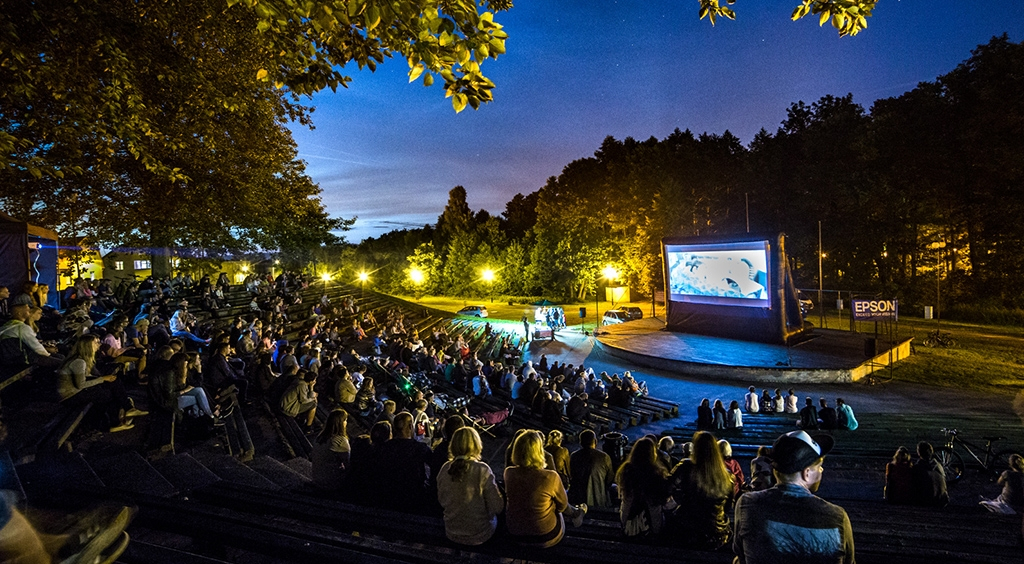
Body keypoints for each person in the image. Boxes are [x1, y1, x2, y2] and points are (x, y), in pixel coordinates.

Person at [733, 430, 854, 564]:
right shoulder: (837, 516)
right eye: (819, 467)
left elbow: (741, 554)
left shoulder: (747, 504)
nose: (821, 470)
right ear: (806, 473)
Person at [504, 430, 585, 548]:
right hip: (546, 535)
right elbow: (562, 506)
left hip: (515, 533)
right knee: (556, 503)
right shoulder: (550, 476)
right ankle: (578, 514)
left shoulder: (508, 473)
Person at [57, 334, 144, 432]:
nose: (99, 344)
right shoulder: (79, 361)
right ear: (87, 346)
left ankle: (124, 413)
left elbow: (91, 376)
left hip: (75, 392)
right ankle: (117, 419)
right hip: (70, 396)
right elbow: (80, 384)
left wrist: (104, 378)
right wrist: (102, 379)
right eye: (96, 343)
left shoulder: (84, 359)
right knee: (107, 394)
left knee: (113, 382)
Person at [436, 427, 504, 545]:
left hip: (452, 531)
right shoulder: (482, 470)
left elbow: (441, 500)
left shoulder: (444, 469)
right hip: (479, 534)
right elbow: (497, 507)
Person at [667, 431, 733, 550]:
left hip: (687, 528)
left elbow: (667, 487)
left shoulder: (685, 466)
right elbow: (727, 506)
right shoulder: (726, 475)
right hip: (715, 530)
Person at [615, 437, 670, 537]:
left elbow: (626, 500)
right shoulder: (657, 473)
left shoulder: (627, 471)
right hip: (652, 523)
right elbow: (657, 503)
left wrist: (624, 522)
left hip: (630, 522)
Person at [569, 429, 614, 509]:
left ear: (581, 442)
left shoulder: (574, 456)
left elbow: (572, 475)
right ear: (595, 441)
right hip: (599, 500)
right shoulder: (604, 457)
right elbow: (610, 478)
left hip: (579, 500)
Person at [311, 408, 351, 491]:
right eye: (345, 420)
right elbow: (348, 464)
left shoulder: (320, 437)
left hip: (316, 477)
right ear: (341, 423)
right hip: (329, 481)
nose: (346, 423)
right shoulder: (340, 441)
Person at [910, 441, 948, 507]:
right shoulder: (938, 465)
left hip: (928, 501)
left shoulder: (918, 467)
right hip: (943, 499)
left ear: (919, 453)